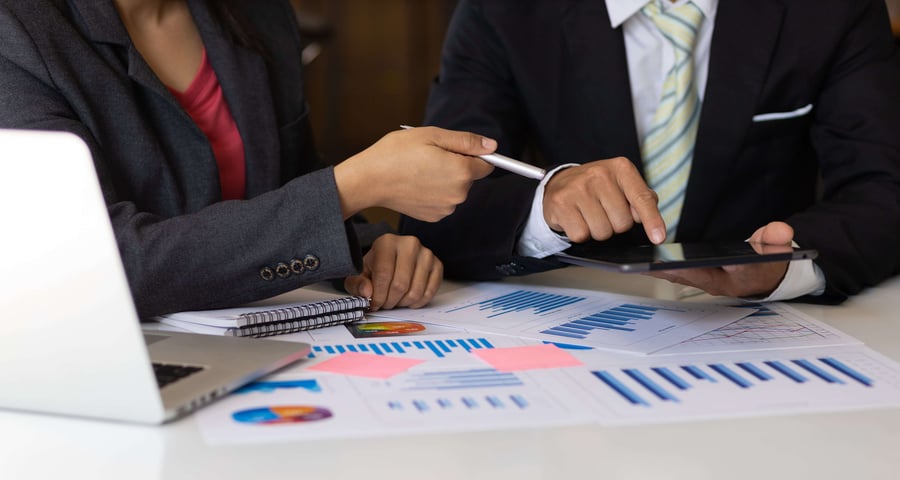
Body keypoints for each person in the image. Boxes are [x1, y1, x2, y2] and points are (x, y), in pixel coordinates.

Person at [0, 0, 497, 318]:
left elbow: (289, 189)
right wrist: (353, 187)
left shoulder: (259, 13)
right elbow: (102, 263)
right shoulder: (16, 30)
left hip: (268, 347)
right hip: (116, 366)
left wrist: (368, 247)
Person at [401, 0, 900, 303]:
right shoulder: (501, 11)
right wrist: (545, 209)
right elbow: (435, 211)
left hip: (771, 325)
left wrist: (788, 267)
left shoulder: (832, 11)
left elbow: (884, 190)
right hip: (581, 324)